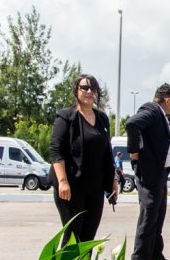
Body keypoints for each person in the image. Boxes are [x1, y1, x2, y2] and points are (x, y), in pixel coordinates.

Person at [49, 74, 119, 242]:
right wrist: (63, 181)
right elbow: (56, 151)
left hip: (95, 188)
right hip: (72, 187)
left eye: (93, 88)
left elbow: (107, 153)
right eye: (84, 88)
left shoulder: (102, 118)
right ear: (76, 91)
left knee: (88, 237)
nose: (89, 92)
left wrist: (113, 180)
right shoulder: (66, 117)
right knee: (73, 236)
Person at [126, 83, 170, 260]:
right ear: (167, 100)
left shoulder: (164, 116)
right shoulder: (151, 110)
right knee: (149, 215)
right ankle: (138, 258)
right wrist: (134, 151)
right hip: (149, 173)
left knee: (159, 213)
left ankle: (155, 254)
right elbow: (132, 124)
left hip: (160, 174)